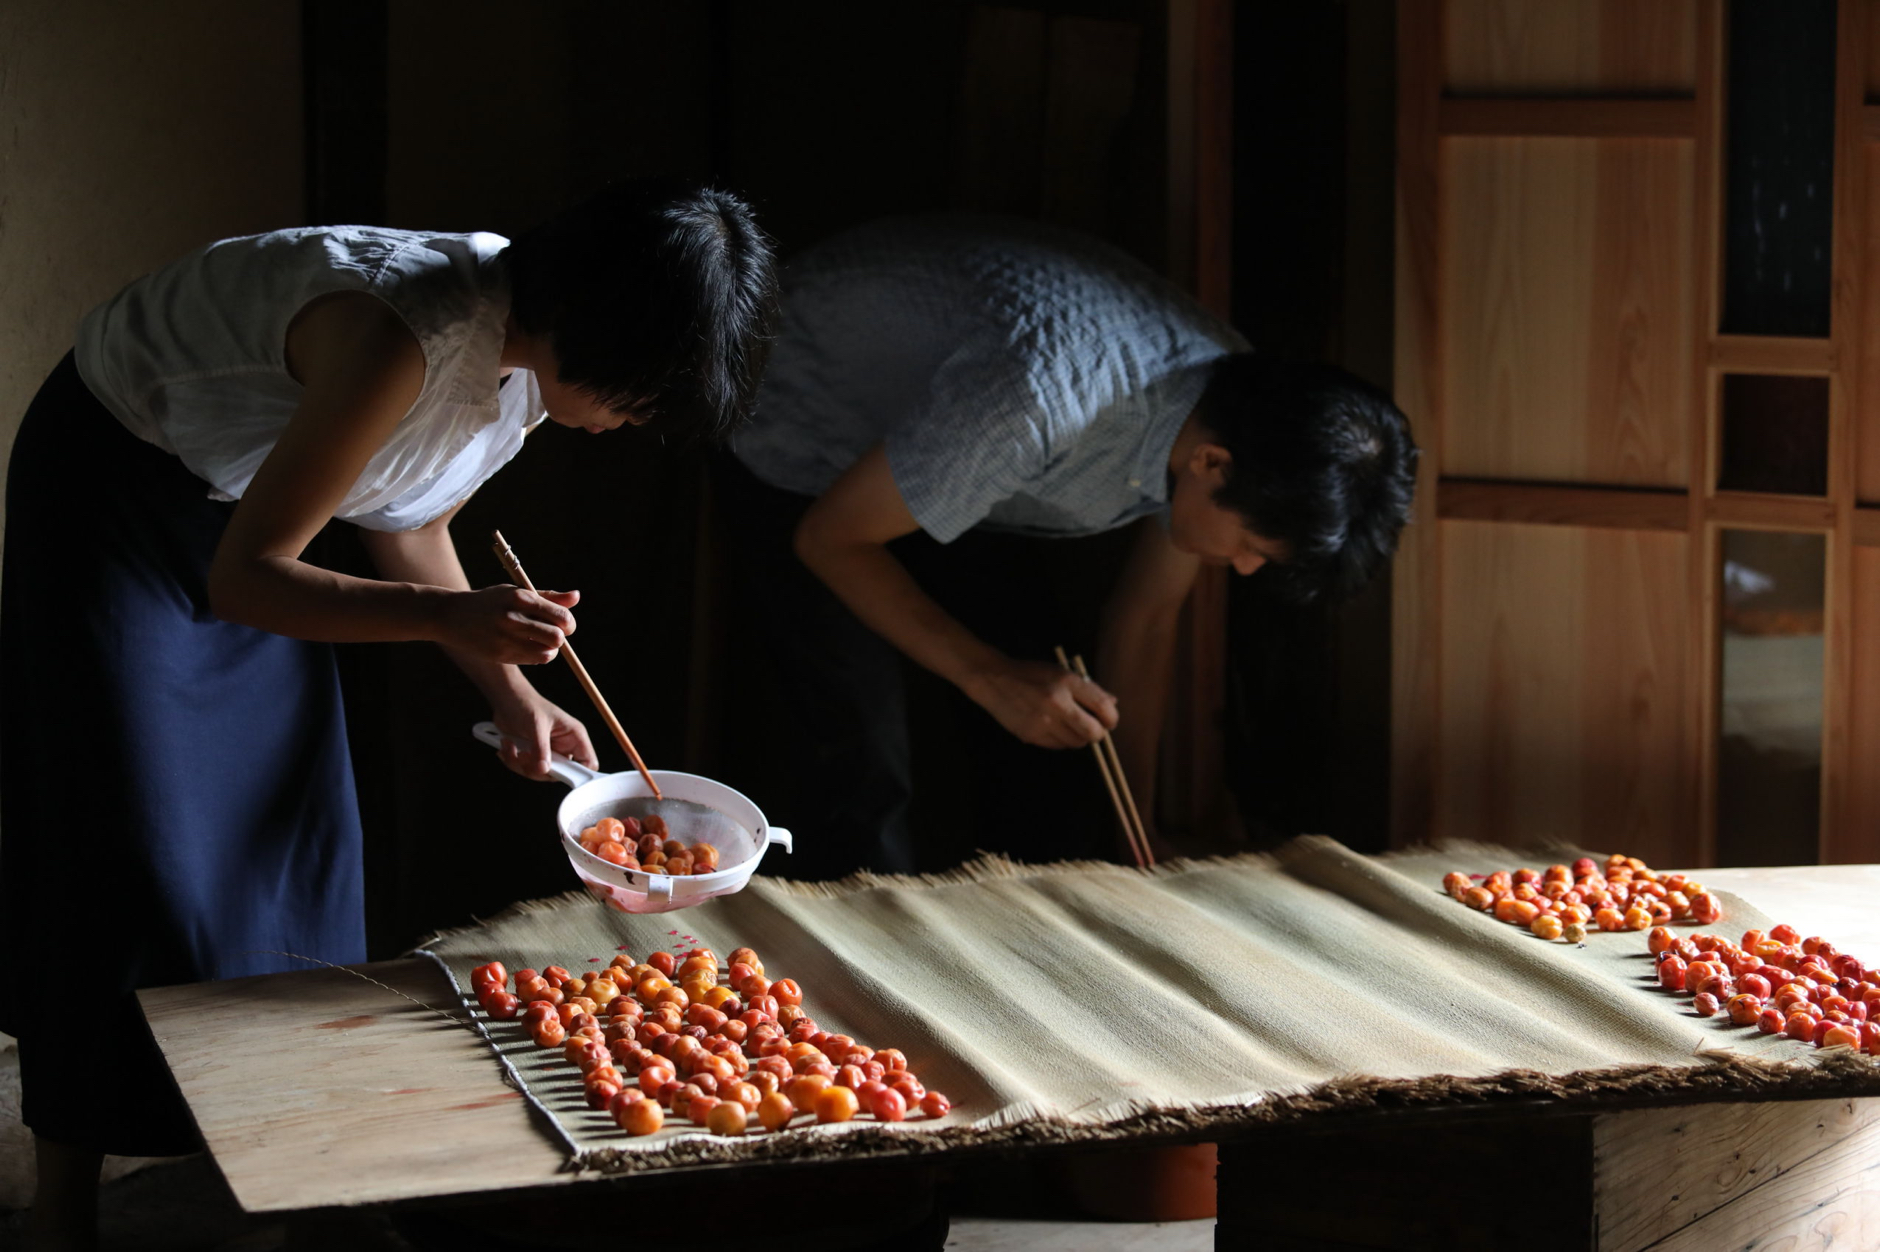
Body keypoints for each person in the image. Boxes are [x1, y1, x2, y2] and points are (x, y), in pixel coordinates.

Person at [0, 178, 776, 1250]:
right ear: (597, 329)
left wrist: (513, 692)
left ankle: (304, 1177)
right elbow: (250, 582)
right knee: (134, 861)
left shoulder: (521, 356)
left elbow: (407, 519)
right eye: (642, 394)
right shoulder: (401, 336)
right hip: (121, 497)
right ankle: (63, 1208)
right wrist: (459, 617)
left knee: (302, 842)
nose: (633, 421)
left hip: (253, 516)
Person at [722, 215, 1415, 879]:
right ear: (1212, 465)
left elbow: (1142, 623)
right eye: (1254, 546)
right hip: (800, 423)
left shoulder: (1236, 412)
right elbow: (830, 539)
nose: (1244, 566)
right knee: (867, 765)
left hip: (948, 450)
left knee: (1054, 722)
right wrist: (985, 675)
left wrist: (1133, 833)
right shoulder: (1042, 399)